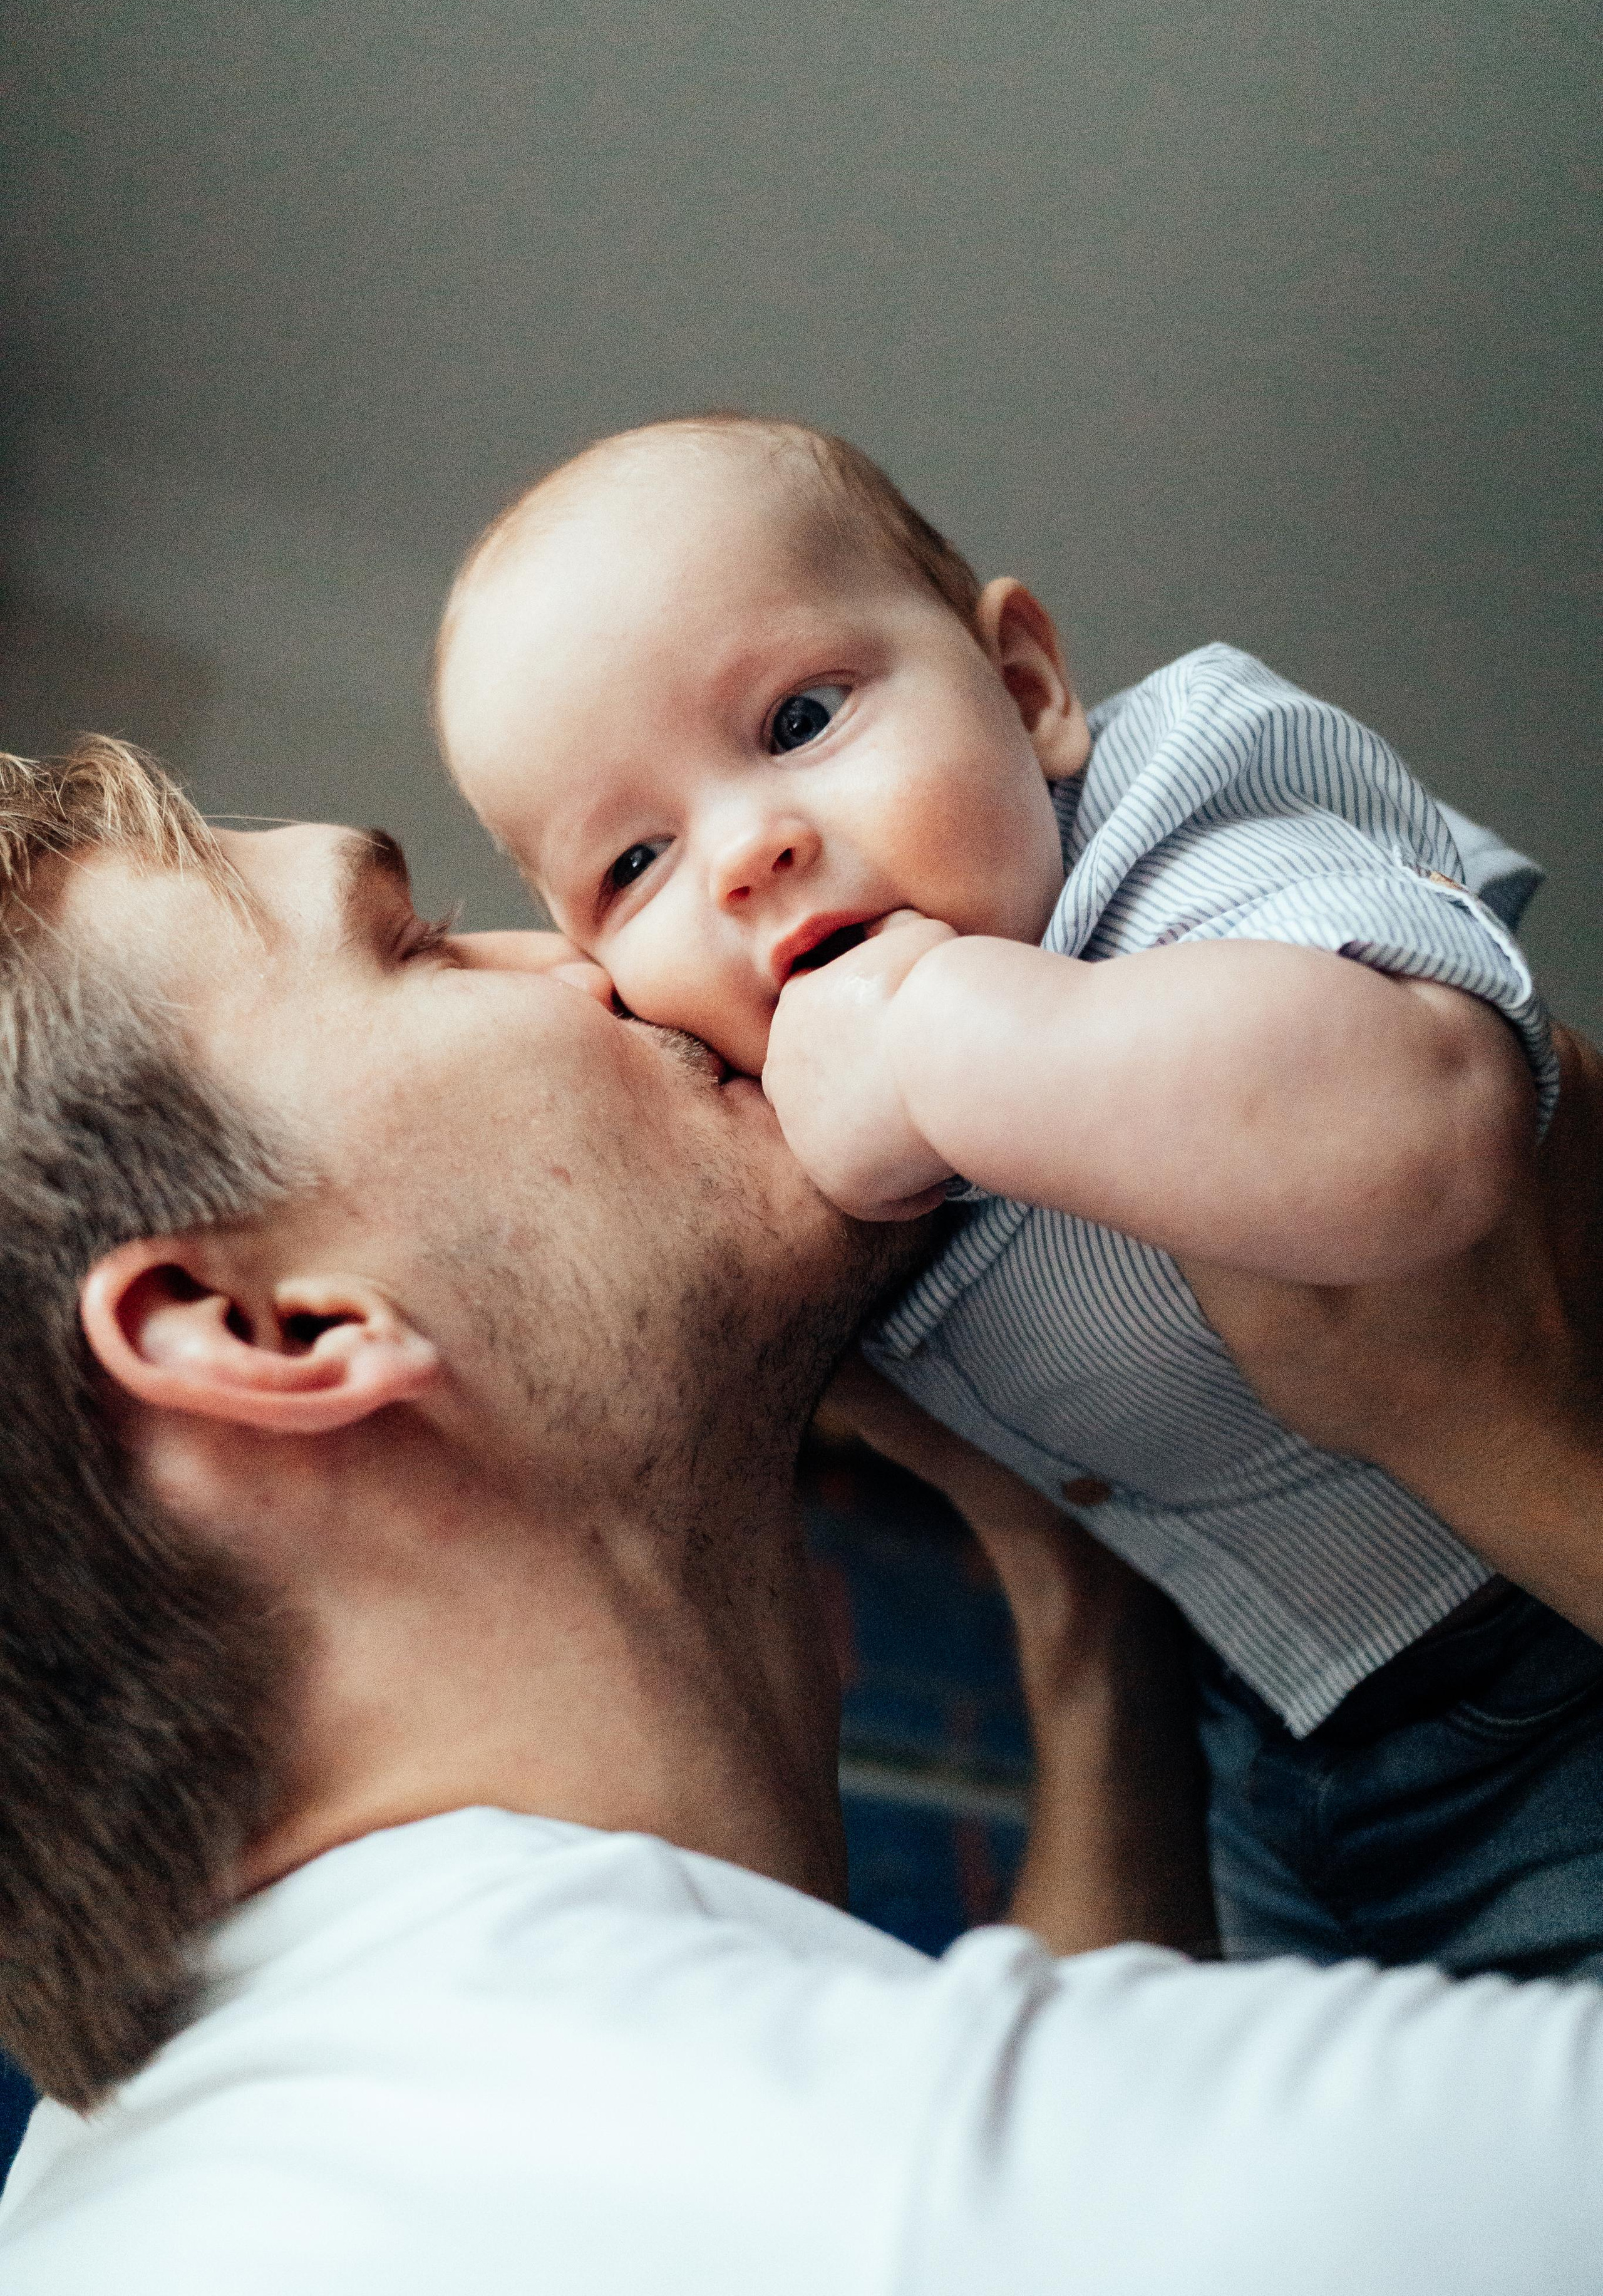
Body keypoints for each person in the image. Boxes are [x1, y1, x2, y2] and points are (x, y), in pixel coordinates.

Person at [1, 737, 1601, 2294]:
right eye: (416, 947)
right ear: (273, 1332)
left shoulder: (136, 2164)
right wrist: (1507, 1431)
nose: (595, 963)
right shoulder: (879, 2188)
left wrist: (1083, 1600)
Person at [431, 411, 1598, 1976]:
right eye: (632, 865)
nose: (743, 855)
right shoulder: (770, 1107)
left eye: (796, 720)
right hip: (1263, 1732)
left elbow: (1423, 1125)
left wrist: (947, 1035)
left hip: (1538, 1663)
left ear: (1028, 690)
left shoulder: (1180, 843)